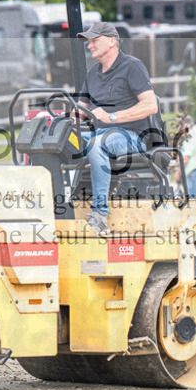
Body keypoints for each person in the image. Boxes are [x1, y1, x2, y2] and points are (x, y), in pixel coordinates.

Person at [74, 22, 158, 236]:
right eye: (89, 42)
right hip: (99, 133)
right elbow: (81, 110)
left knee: (97, 144)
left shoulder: (132, 67)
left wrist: (113, 117)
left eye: (94, 41)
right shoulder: (93, 73)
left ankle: (100, 214)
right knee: (60, 143)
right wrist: (61, 123)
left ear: (112, 41)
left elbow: (150, 105)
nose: (89, 46)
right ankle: (59, 204)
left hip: (130, 136)